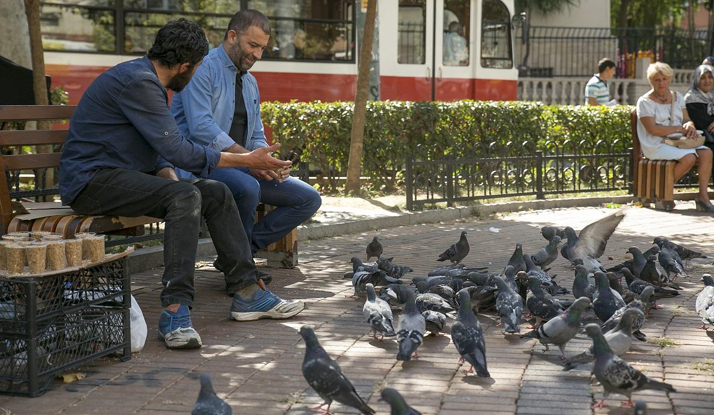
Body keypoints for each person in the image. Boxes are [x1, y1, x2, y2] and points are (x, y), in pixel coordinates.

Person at [59, 19, 305, 351]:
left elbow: (157, 152)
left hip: (121, 179)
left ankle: (248, 292)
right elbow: (178, 150)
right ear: (186, 66)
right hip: (91, 183)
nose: (198, 71)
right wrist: (248, 160)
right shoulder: (139, 83)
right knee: (188, 194)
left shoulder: (147, 81)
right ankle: (175, 310)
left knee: (214, 191)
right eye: (199, 65)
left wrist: (170, 180)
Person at [171, 10, 321, 259]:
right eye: (253, 45)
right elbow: (201, 127)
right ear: (232, 36)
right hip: (200, 163)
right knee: (247, 186)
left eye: (262, 48)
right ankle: (239, 264)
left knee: (308, 198)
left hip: (242, 166)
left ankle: (241, 254)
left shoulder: (251, 82)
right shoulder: (202, 68)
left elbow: (256, 135)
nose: (257, 55)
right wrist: (249, 159)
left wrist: (269, 162)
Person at [636, 62, 714, 211]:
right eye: (657, 80)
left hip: (677, 141)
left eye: (664, 79)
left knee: (706, 153)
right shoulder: (644, 101)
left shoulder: (677, 97)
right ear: (651, 81)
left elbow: (686, 119)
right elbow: (653, 130)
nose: (661, 83)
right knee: (689, 157)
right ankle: (662, 193)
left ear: (669, 79)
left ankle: (702, 197)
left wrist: (689, 125)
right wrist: (679, 128)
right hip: (656, 143)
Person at [684, 65, 714, 154]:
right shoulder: (691, 99)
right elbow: (705, 124)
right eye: (702, 78)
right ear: (696, 80)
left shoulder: (712, 95)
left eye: (710, 77)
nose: (707, 81)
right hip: (703, 139)